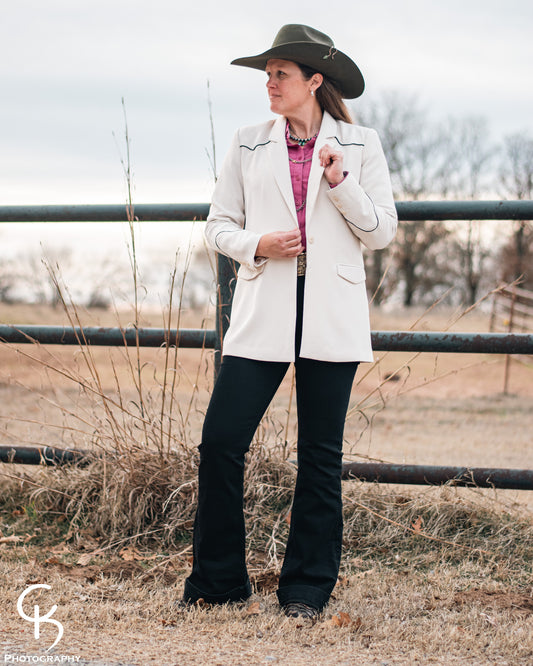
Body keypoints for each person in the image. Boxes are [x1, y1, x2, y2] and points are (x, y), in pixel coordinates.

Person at [182, 24, 397, 619]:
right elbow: (218, 224)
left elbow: (380, 232)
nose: (270, 83)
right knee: (221, 442)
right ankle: (219, 582)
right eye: (268, 73)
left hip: (331, 312)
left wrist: (339, 182)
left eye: (281, 73)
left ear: (315, 80)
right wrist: (259, 244)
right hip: (263, 310)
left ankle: (305, 591)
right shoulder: (248, 141)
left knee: (319, 455)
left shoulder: (360, 144)